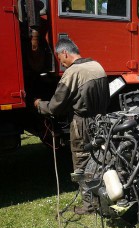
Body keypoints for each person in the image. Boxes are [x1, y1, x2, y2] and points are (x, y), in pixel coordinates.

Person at [34, 37, 110, 214]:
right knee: (100, 158)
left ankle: (89, 205)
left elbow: (55, 106)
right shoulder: (97, 66)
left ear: (65, 53)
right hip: (102, 121)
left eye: (60, 59)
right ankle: (103, 194)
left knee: (82, 161)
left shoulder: (72, 73)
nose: (61, 64)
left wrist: (39, 105)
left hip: (82, 124)